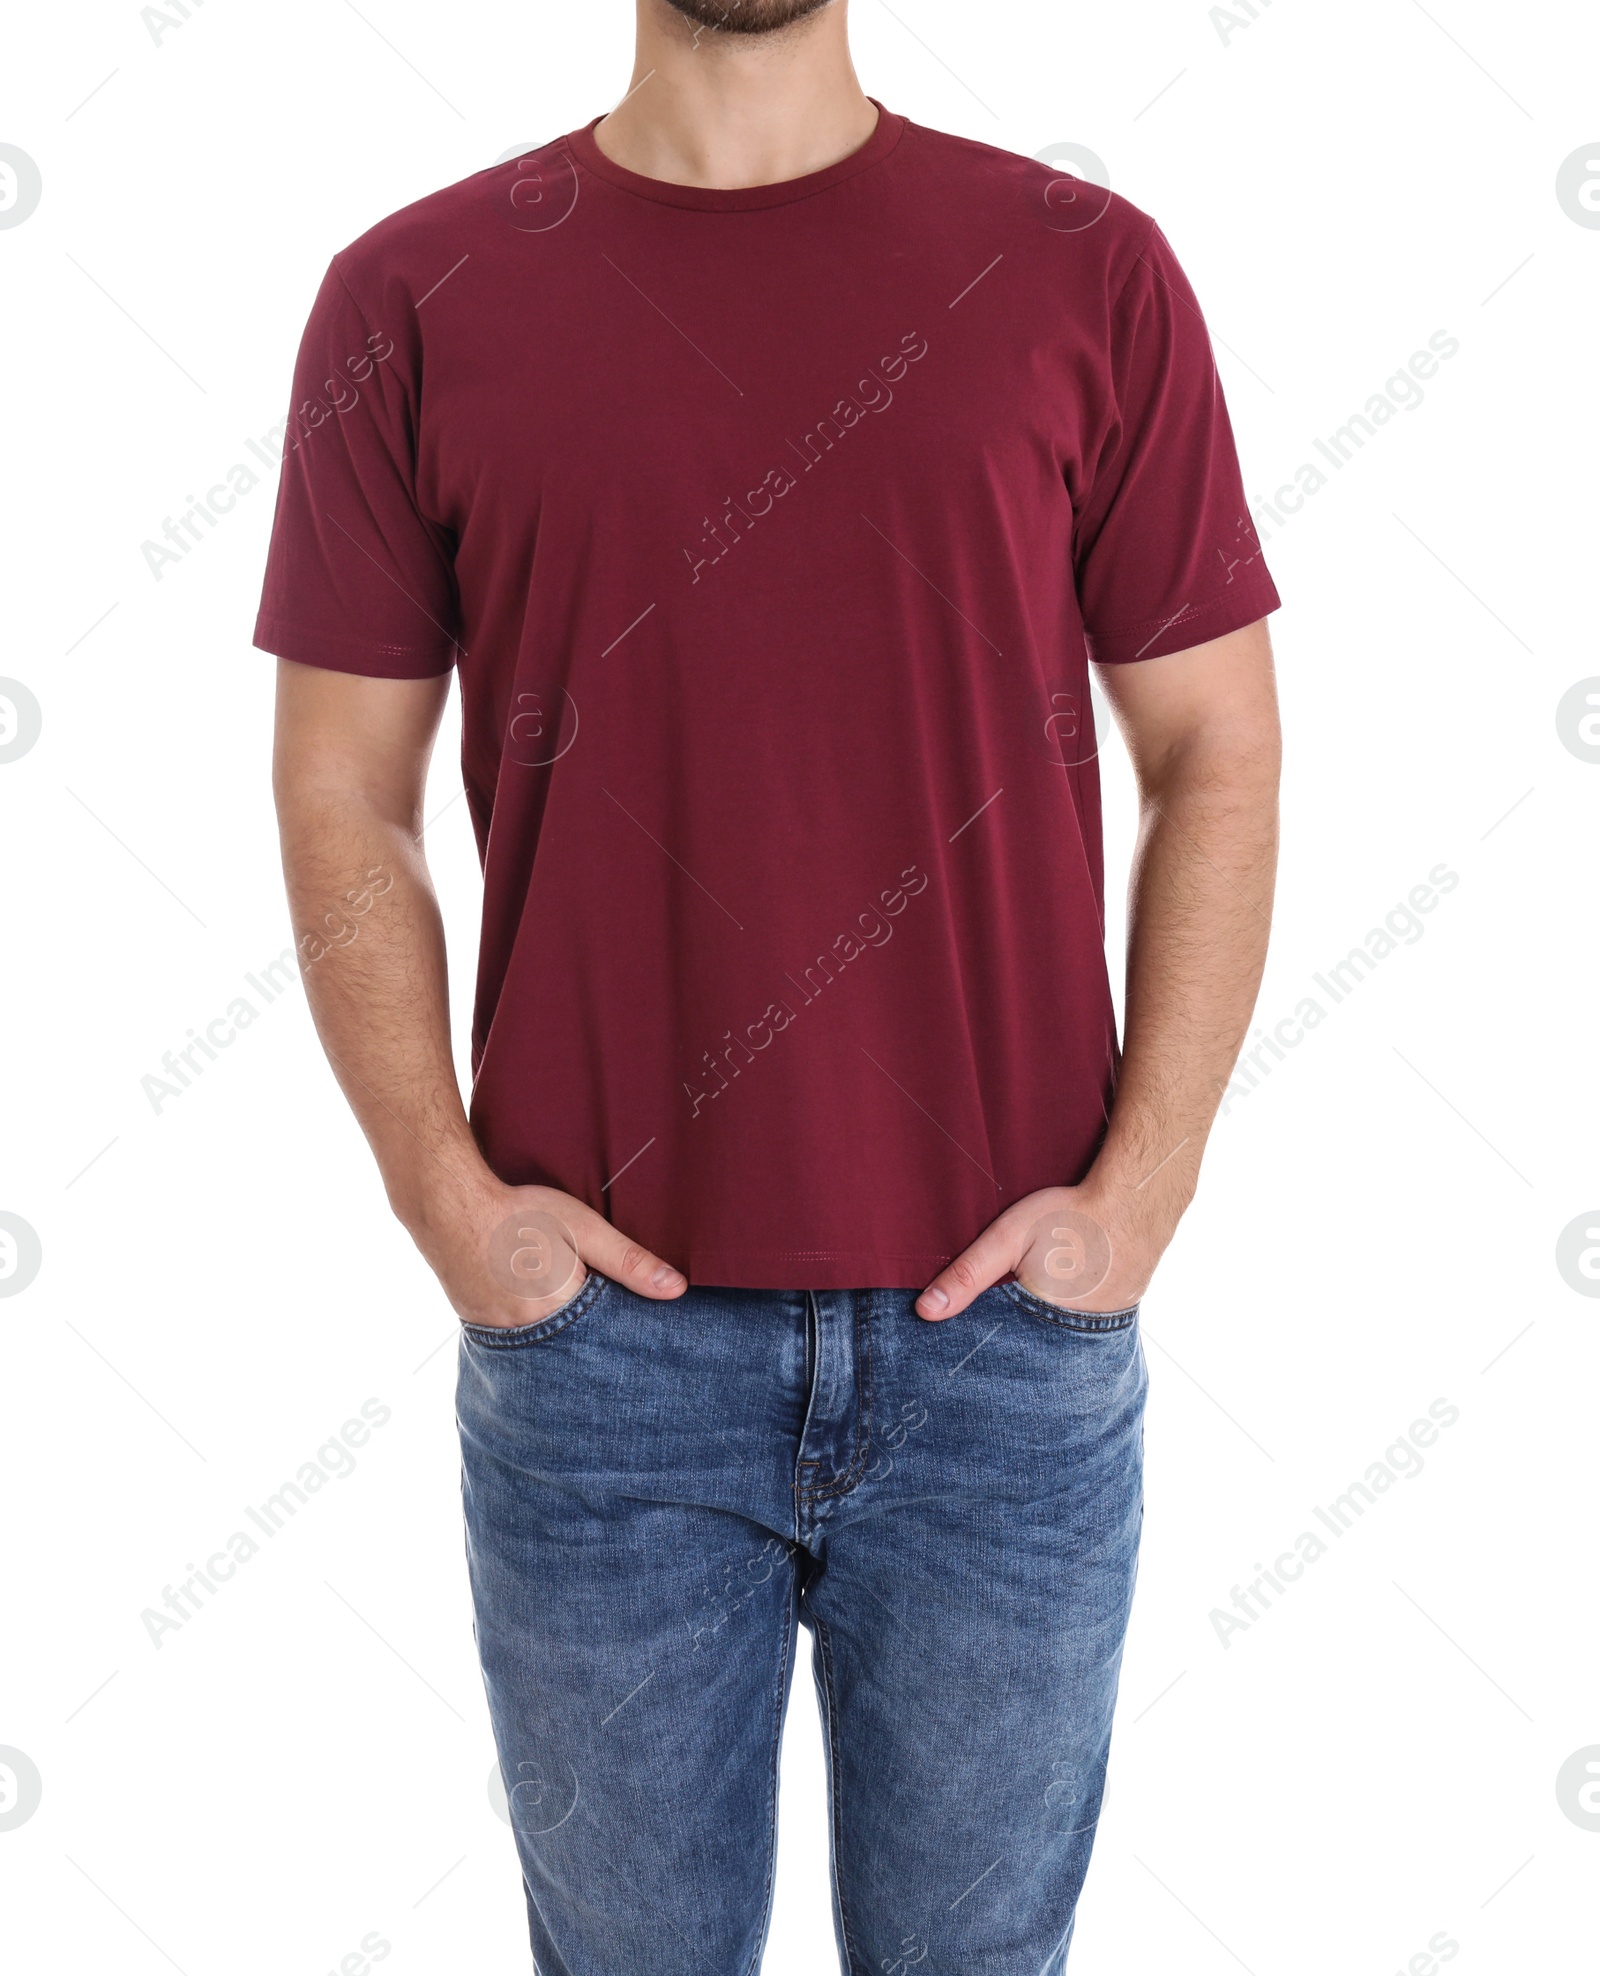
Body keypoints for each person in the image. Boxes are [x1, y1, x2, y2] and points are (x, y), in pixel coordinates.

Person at [256, 0, 1281, 1967]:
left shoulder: (1081, 268)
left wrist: (1140, 1188)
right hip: (602, 1369)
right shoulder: (413, 295)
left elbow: (1213, 747)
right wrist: (442, 1200)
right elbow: (341, 788)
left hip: (1002, 1354)